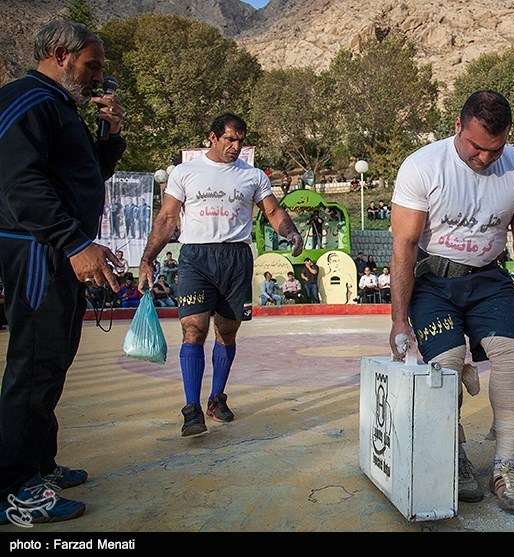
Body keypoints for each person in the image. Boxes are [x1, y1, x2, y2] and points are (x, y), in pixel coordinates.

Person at [389, 90, 514, 515]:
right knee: (447, 363)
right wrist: (398, 322)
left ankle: (502, 465)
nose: (484, 157)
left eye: (494, 149)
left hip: (488, 279)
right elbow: (404, 246)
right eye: (475, 146)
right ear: (457, 127)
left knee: (512, 360)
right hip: (432, 282)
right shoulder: (422, 167)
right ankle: (455, 455)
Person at [0, 20, 126, 525]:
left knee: (53, 361)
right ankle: (12, 486)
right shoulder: (26, 100)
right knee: (32, 365)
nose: (98, 77)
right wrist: (74, 242)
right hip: (38, 249)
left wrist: (110, 135)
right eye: (91, 65)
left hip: (60, 248)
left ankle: (37, 464)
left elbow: (85, 176)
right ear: (59, 54)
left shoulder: (62, 107)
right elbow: (19, 182)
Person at [138, 113, 303, 438]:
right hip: (197, 257)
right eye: (229, 139)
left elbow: (272, 211)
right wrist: (147, 258)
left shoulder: (253, 175)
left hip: (236, 258)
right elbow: (168, 216)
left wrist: (292, 232)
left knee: (227, 333)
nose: (235, 146)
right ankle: (191, 409)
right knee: (194, 330)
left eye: (240, 140)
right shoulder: (185, 172)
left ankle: (217, 398)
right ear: (211, 138)